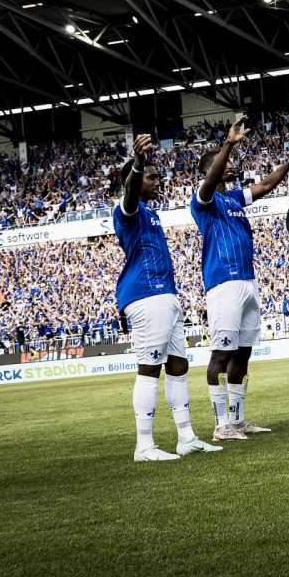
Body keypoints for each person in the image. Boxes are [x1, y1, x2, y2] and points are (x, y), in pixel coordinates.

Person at [115, 133, 221, 461]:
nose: (158, 180)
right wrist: (137, 164)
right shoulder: (128, 209)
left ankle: (186, 437)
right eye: (152, 176)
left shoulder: (151, 213)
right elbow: (131, 193)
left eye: (158, 175)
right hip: (147, 297)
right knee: (150, 367)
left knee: (178, 365)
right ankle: (144, 445)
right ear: (135, 180)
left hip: (165, 295)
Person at [192, 115, 289, 441]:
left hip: (247, 282)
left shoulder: (234, 198)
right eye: (223, 165)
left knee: (243, 353)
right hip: (223, 284)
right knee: (220, 354)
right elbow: (210, 181)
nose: (230, 168)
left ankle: (237, 419)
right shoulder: (203, 200)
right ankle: (221, 426)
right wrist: (229, 145)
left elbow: (266, 185)